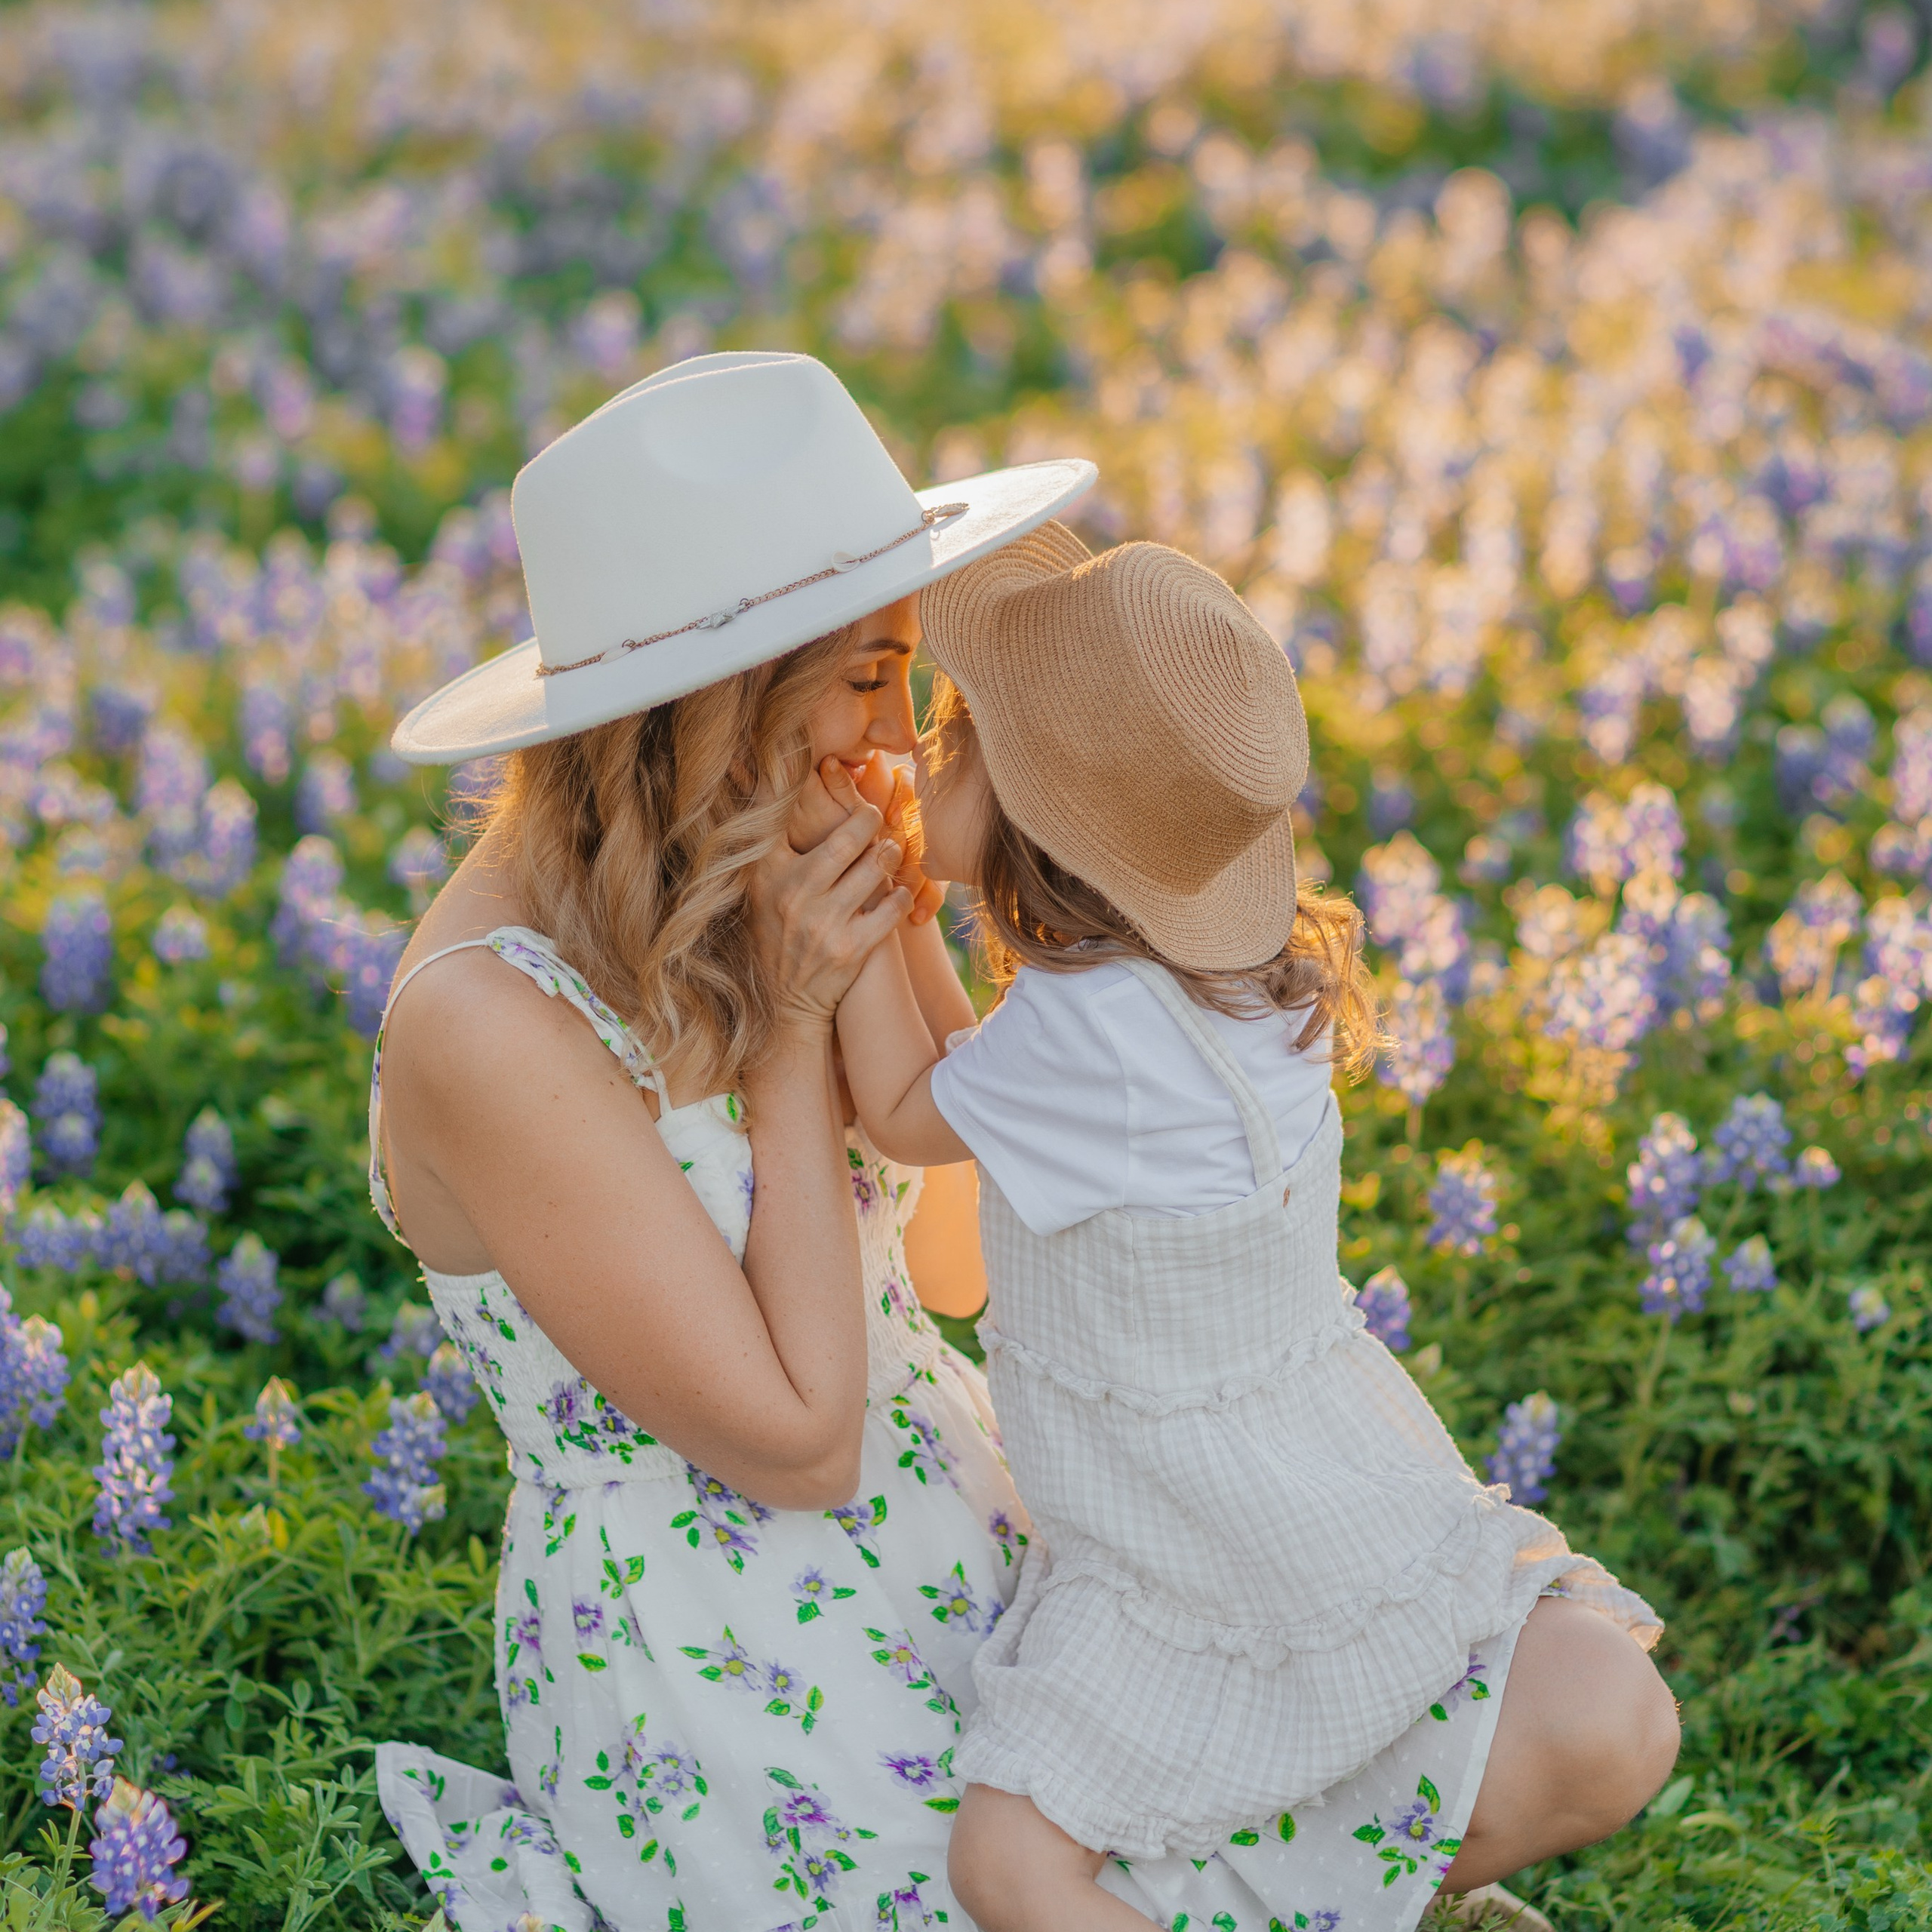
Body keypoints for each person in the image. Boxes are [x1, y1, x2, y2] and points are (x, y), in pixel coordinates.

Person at [829, 522, 1683, 1932]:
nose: (919, 753)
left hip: (1174, 1547)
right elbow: (991, 1082)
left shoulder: (1078, 1037)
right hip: (1338, 1494)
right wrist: (933, 895)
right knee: (1609, 1711)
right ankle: (1372, 1892)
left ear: (1030, 815)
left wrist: (869, 899)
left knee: (1008, 1871)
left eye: (952, 737)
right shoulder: (1230, 983)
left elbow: (910, 1111)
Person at [366, 349, 1097, 1929]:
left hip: (973, 1527)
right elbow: (794, 1437)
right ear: (717, 696)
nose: (900, 734)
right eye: (866, 674)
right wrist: (786, 1026)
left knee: (1545, 1708)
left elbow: (961, 1272)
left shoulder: (787, 845)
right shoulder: (487, 1019)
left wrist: (946, 940)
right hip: (722, 1657)